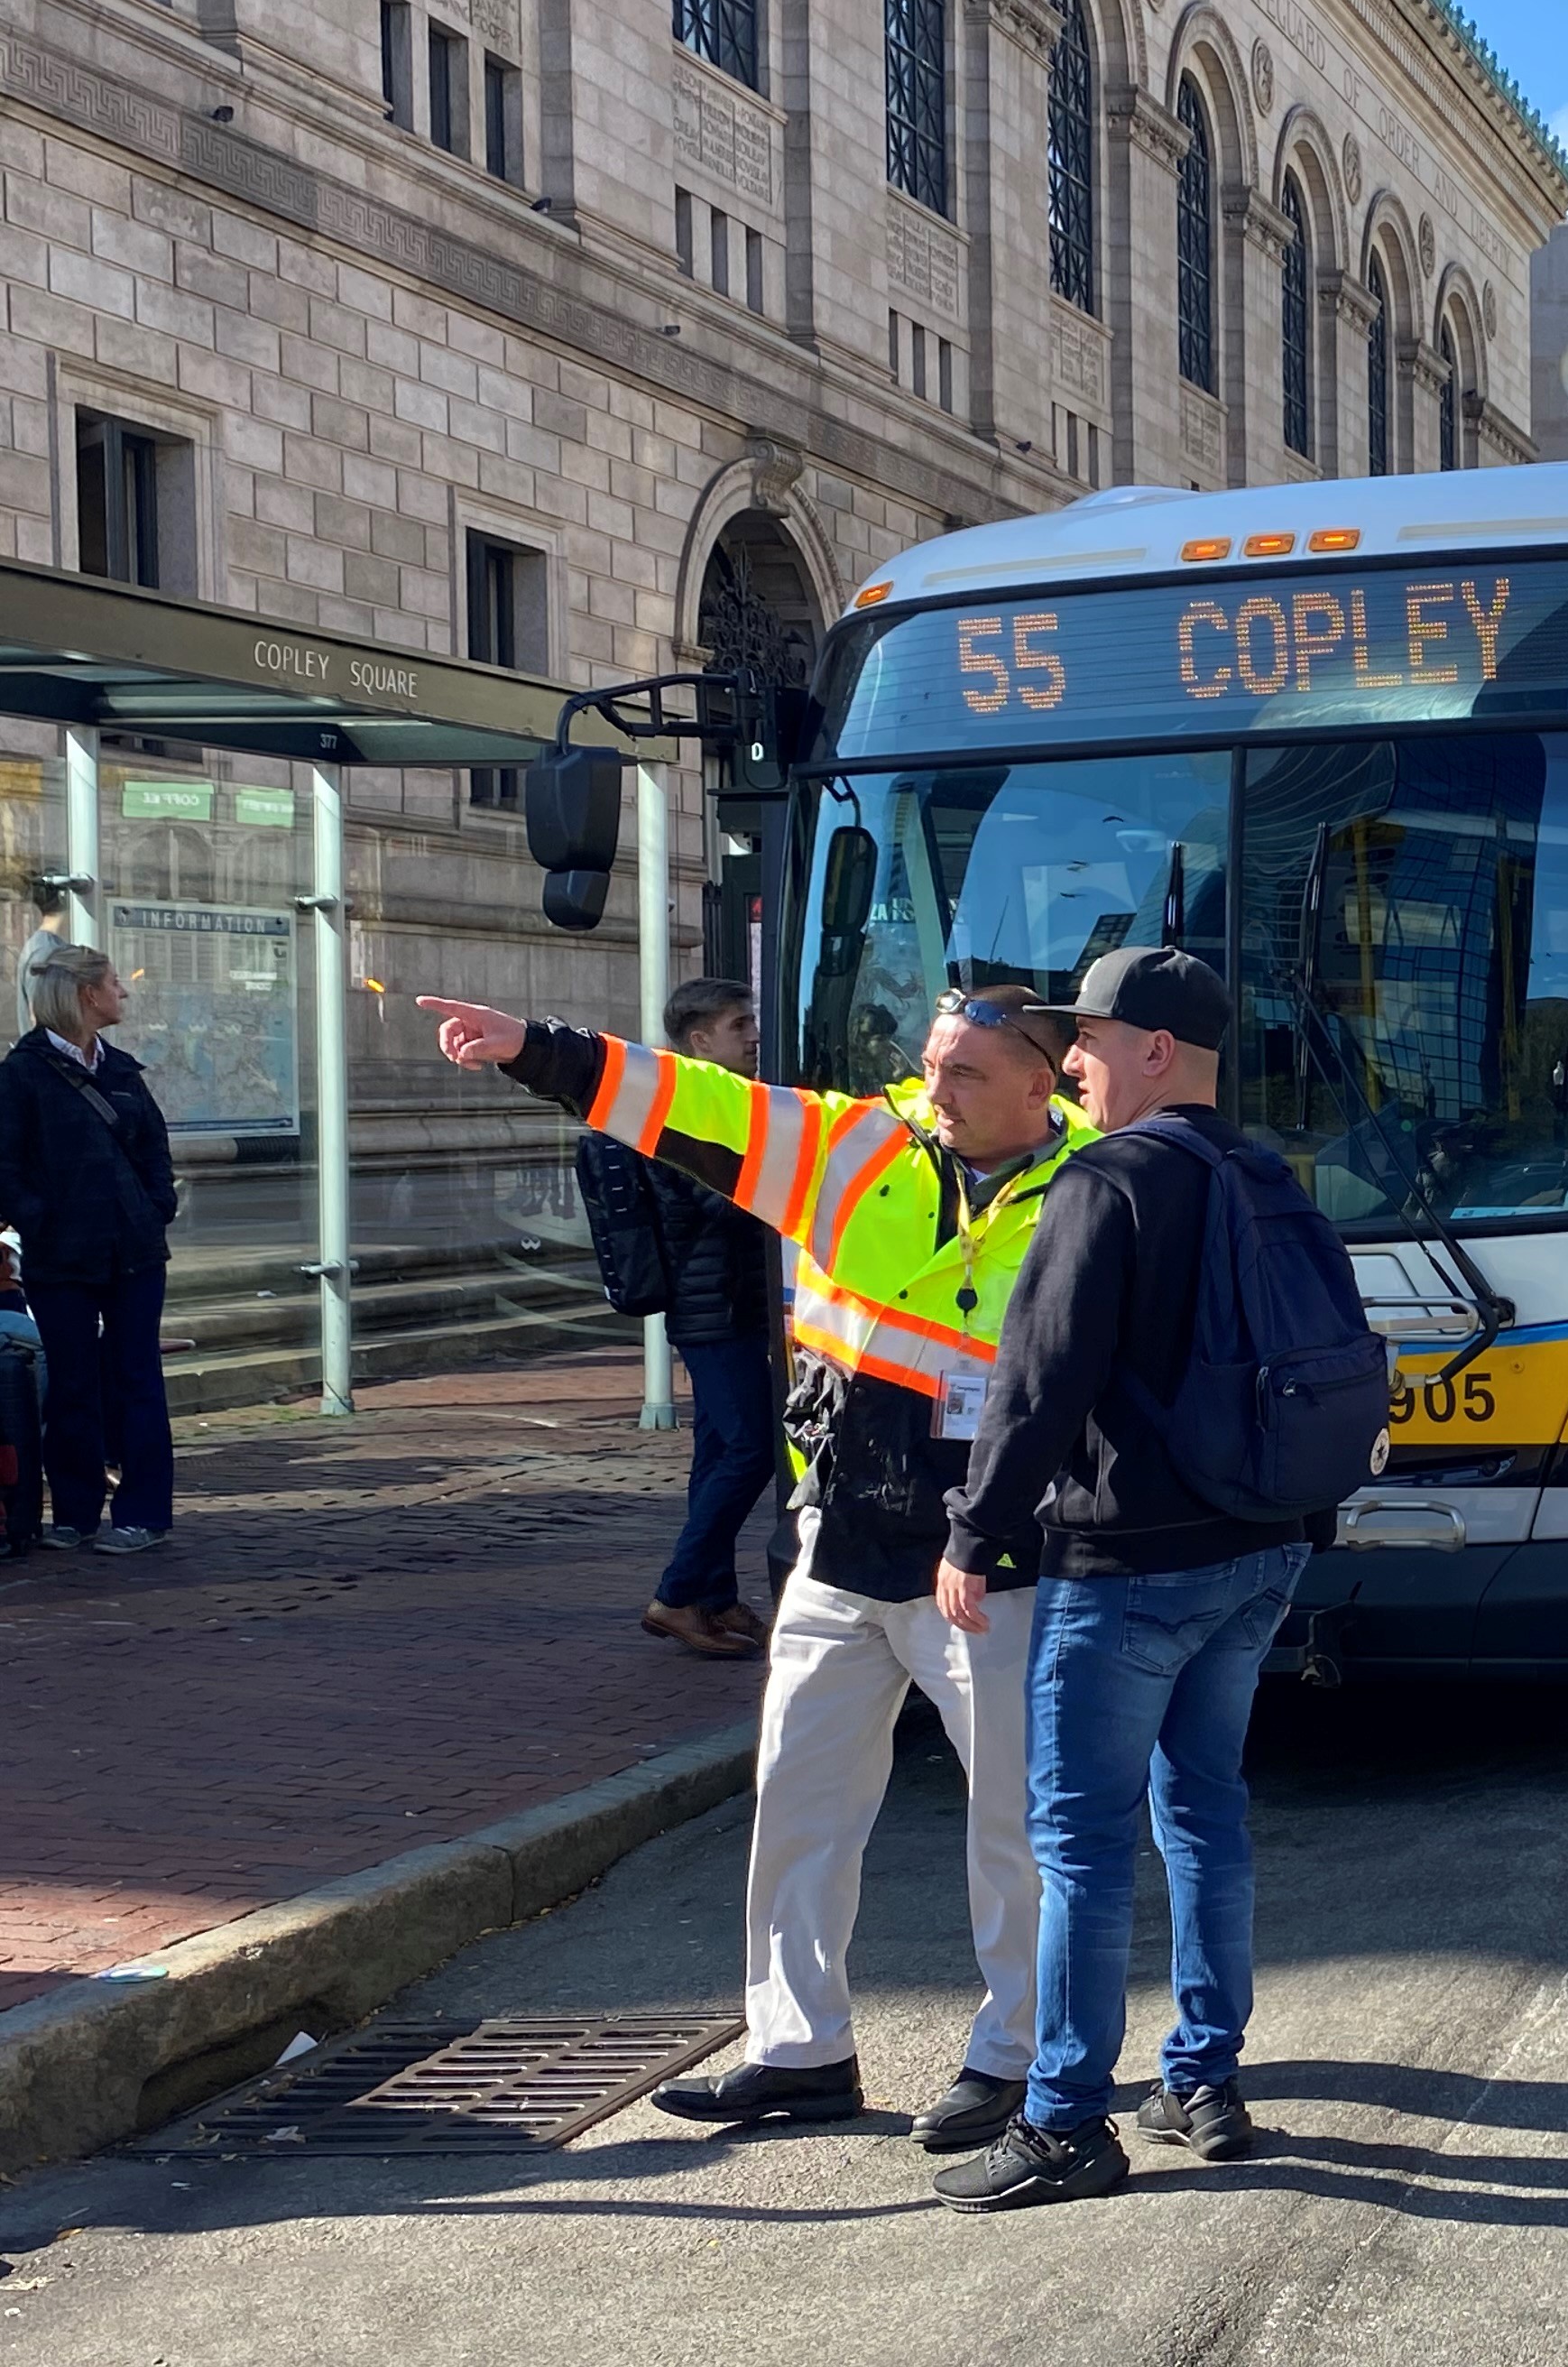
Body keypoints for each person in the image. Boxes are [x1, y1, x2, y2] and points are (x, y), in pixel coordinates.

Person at [420, 981, 1089, 2155]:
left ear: (1040, 1084)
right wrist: (536, 1047)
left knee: (1014, 1825)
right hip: (844, 1544)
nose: (935, 1090)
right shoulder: (856, 1143)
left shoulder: (1099, 1186)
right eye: (931, 1064)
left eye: (966, 1074)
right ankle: (800, 2050)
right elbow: (692, 1103)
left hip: (996, 1556)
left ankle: (1015, 2057)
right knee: (798, 1806)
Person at [929, 948, 1321, 2213]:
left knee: (1084, 1847)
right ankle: (1202, 2079)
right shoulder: (1269, 1176)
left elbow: (1040, 1382)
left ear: (1157, 1049)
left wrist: (973, 1533)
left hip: (1132, 1561)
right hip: (1260, 1545)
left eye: (1088, 1039)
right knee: (1206, 1812)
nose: (1073, 1063)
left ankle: (1061, 2122)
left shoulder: (1108, 1181)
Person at [622, 978, 782, 1660]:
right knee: (750, 1448)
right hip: (711, 1306)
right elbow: (715, 1204)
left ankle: (711, 1595)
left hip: (731, 1301)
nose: (754, 1034)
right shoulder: (686, 1110)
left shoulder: (718, 1104)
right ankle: (679, 1593)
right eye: (739, 1024)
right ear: (699, 1040)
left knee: (719, 1448)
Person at [0, 940, 178, 1553]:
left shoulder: (123, 1070)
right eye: (112, 982)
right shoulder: (21, 1076)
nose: (122, 992)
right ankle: (75, 1513)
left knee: (137, 1378)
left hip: (133, 1252)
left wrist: (156, 1209)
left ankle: (144, 1513)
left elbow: (154, 1148)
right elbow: (6, 1166)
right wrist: (40, 1220)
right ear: (85, 995)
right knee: (73, 1384)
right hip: (61, 1257)